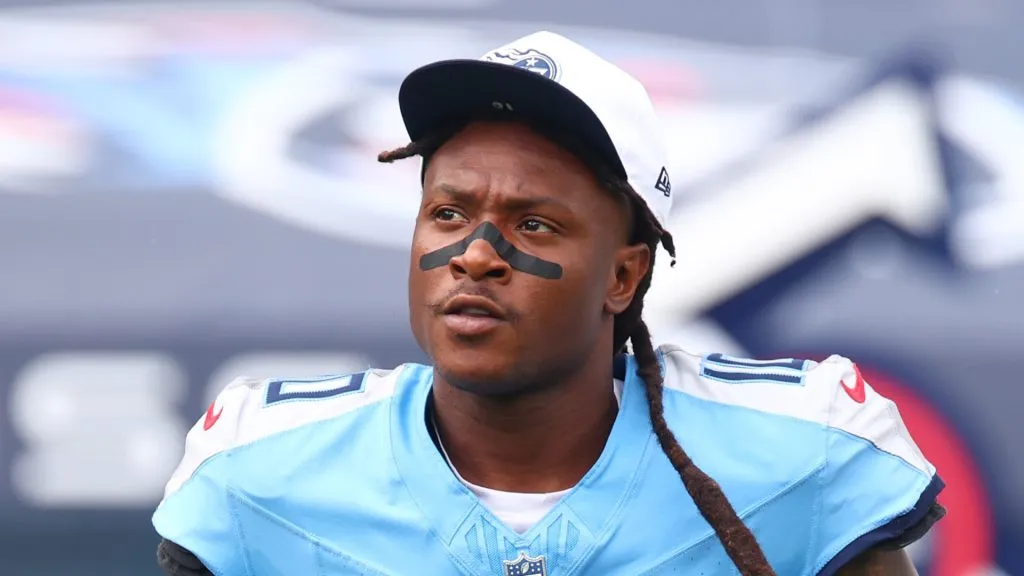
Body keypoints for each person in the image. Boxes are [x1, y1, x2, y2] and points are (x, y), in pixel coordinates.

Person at [152, 31, 945, 576]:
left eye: (533, 224)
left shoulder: (798, 455)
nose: (474, 256)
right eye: (450, 214)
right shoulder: (263, 471)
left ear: (623, 277)